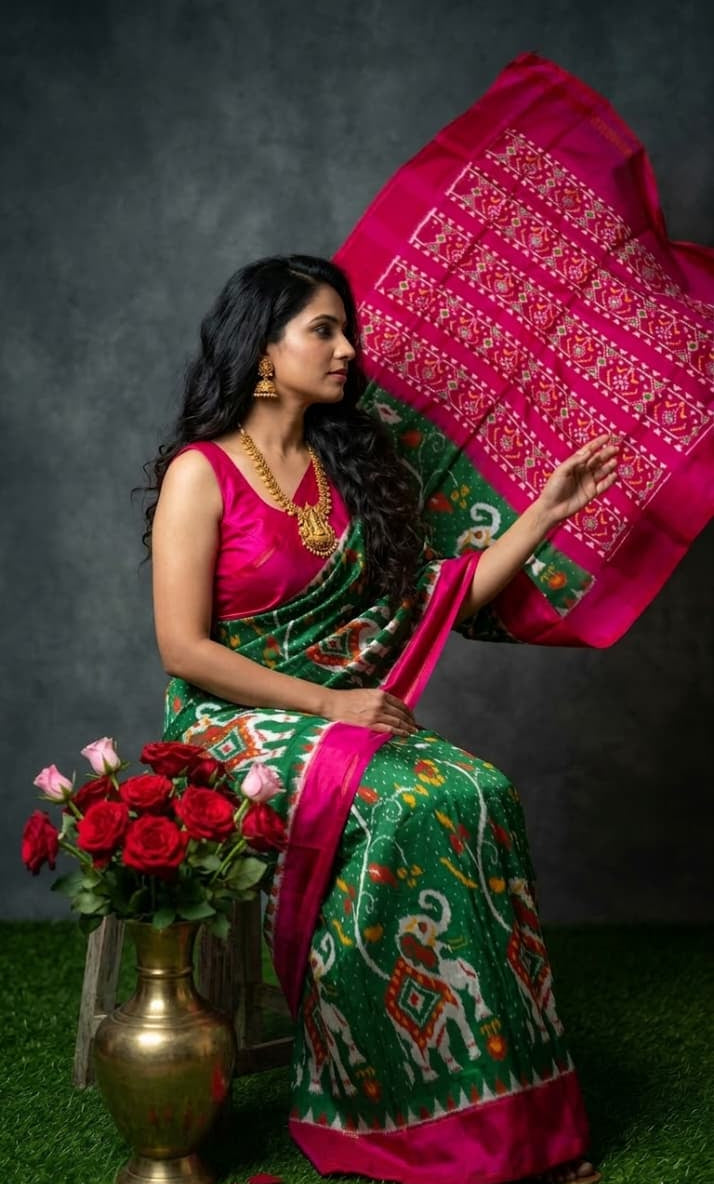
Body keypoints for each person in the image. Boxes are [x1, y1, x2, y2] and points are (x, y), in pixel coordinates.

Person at [144, 254, 620, 1184]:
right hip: (230, 724)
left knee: (478, 789)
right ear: (264, 350)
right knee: (397, 807)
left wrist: (543, 515)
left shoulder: (346, 470)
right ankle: (379, 1106)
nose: (349, 349)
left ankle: (510, 1118)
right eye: (323, 328)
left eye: (344, 328)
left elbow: (438, 599)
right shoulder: (201, 475)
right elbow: (182, 649)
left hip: (345, 723)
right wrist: (328, 701)